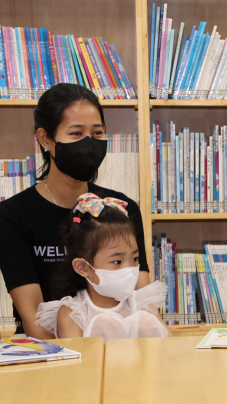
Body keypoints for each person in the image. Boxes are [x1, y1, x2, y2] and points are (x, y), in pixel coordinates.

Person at [0, 84, 150, 339]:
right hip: (48, 356)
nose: (89, 143)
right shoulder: (12, 215)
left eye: (97, 132)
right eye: (76, 133)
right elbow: (36, 324)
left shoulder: (121, 208)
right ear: (45, 138)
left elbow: (143, 301)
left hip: (121, 350)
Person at [35, 193, 171, 340]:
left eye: (134, 259)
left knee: (146, 322)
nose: (129, 269)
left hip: (144, 363)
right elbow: (77, 361)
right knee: (104, 324)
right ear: (83, 267)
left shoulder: (142, 304)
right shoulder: (73, 313)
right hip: (94, 363)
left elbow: (170, 347)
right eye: (117, 262)